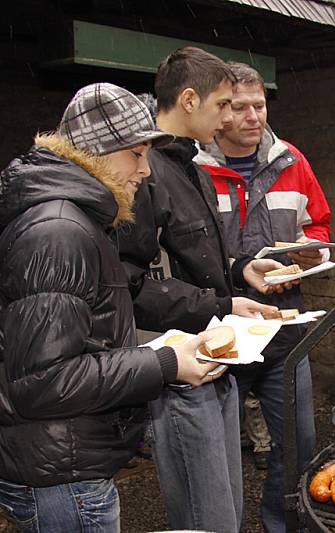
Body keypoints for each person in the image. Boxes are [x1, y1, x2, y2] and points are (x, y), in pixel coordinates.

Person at [0, 83, 219, 531]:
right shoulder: (59, 231)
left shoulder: (71, 219)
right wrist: (165, 363)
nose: (145, 170)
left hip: (61, 462)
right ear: (95, 154)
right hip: (61, 475)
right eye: (135, 155)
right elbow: (44, 382)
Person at [114, 47, 284, 533]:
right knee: (204, 516)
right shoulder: (145, 176)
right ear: (189, 100)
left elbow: (193, 259)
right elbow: (131, 285)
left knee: (225, 511)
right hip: (179, 372)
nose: (231, 117)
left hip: (216, 357)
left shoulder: (192, 167)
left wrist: (240, 269)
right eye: (224, 105)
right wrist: (222, 304)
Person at [196, 61, 328, 533]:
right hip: (220, 328)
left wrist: (308, 256)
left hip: (283, 325)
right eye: (240, 107)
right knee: (217, 448)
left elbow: (317, 225)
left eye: (260, 105)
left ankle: (281, 525)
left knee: (298, 441)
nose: (253, 116)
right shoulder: (195, 170)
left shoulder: (292, 161)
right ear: (220, 111)